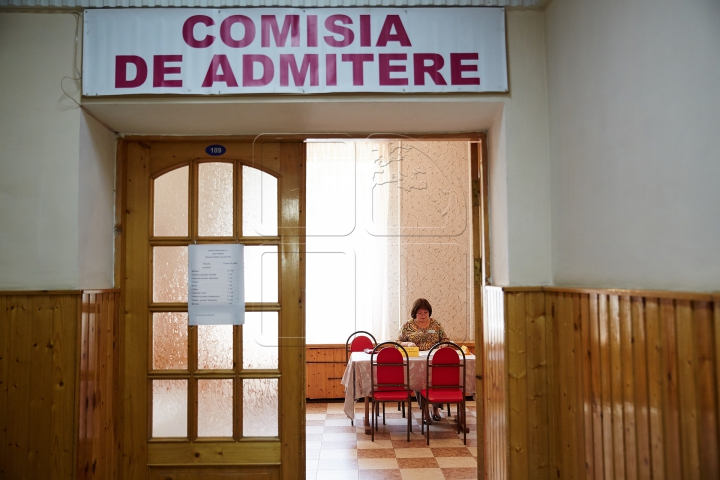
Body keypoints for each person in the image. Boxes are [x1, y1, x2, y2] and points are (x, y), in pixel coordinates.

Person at [397, 298, 448, 421]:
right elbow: (397, 342)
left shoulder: (435, 325)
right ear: (414, 313)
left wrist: (443, 345)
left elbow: (445, 339)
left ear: (429, 312)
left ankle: (435, 409)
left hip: (433, 358)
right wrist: (408, 344)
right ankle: (424, 410)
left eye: (425, 312)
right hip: (416, 360)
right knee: (420, 382)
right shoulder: (407, 326)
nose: (423, 315)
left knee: (436, 382)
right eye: (420, 313)